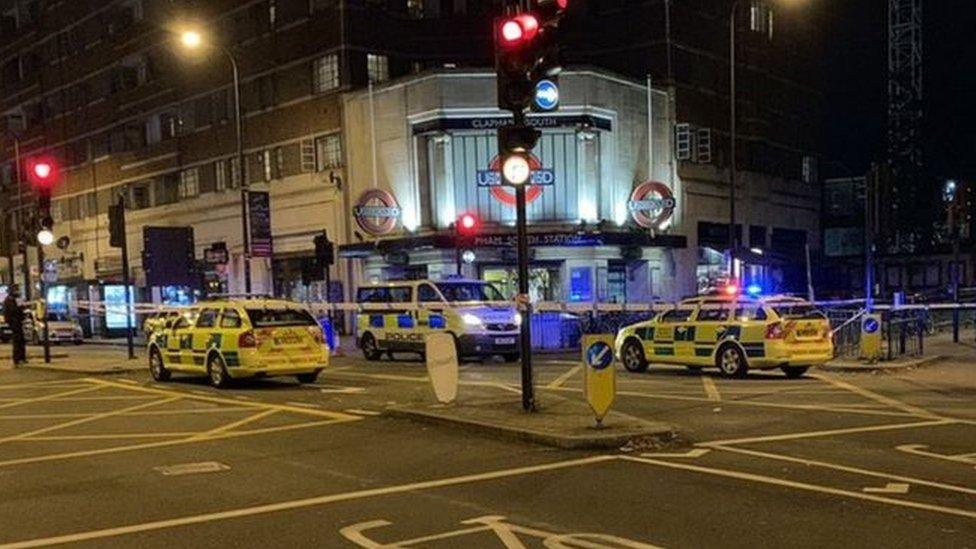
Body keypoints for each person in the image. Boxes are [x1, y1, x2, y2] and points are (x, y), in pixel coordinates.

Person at [2, 285, 26, 366]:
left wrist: (22, 313)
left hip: (18, 322)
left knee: (21, 340)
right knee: (17, 340)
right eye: (16, 290)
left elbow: (21, 309)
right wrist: (10, 321)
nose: (17, 291)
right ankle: (17, 359)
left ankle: (22, 358)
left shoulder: (17, 299)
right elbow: (9, 312)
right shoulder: (9, 300)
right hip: (14, 322)